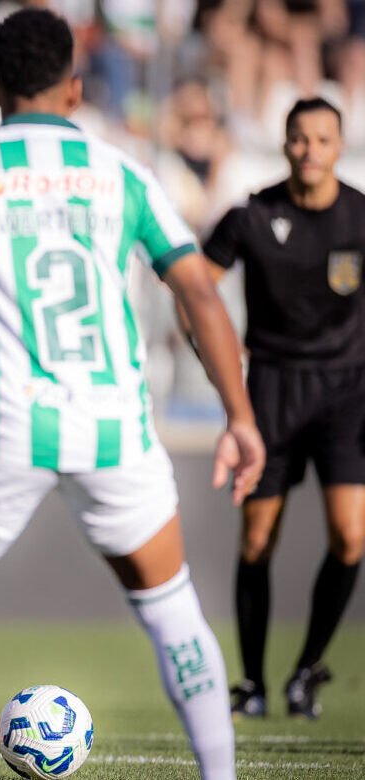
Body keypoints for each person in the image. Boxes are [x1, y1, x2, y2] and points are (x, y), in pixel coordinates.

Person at [0, 9, 266, 780]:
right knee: (173, 612)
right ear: (73, 88)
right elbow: (198, 289)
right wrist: (238, 415)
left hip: (8, 424)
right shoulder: (122, 172)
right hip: (116, 429)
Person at [203, 97, 365, 720]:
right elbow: (195, 285)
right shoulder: (252, 214)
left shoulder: (358, 215)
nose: (310, 150)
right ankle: (252, 683)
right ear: (285, 143)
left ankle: (306, 672)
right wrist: (216, 356)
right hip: (270, 388)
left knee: (350, 538)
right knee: (257, 541)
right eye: (299, 139)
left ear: (339, 146)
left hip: (347, 392)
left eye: (322, 139)